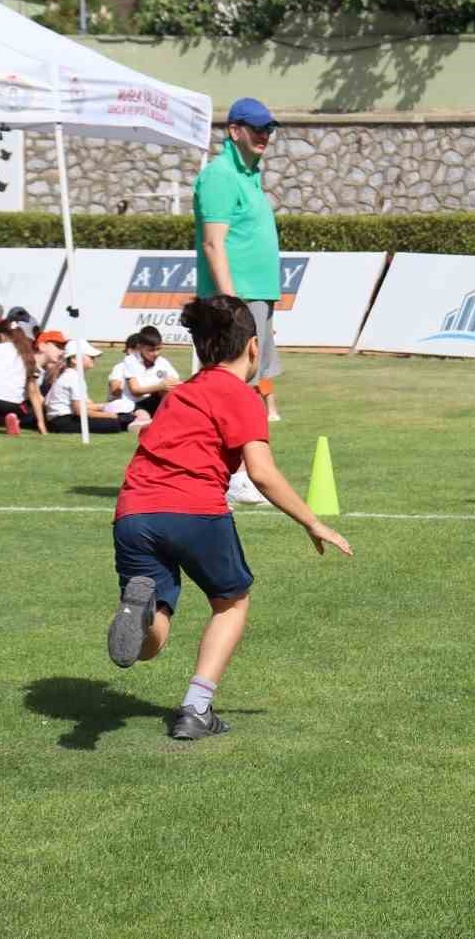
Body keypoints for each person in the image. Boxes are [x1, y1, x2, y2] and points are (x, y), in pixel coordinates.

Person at [108, 294, 352, 741]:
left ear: (199, 349)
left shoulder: (180, 394)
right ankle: (196, 709)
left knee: (154, 634)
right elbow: (261, 472)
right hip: (194, 510)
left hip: (133, 512)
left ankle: (140, 614)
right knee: (231, 602)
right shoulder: (240, 395)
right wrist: (312, 521)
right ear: (254, 347)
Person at [197, 97, 284, 423]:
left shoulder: (249, 175)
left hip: (257, 292)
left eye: (269, 129)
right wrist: (231, 304)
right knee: (230, 381)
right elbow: (212, 244)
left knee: (248, 377)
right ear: (235, 131)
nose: (264, 135)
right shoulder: (220, 175)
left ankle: (239, 464)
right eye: (257, 129)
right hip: (239, 296)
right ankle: (232, 464)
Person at [44, 339, 153, 435]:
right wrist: (109, 415)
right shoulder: (74, 378)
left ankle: (135, 420)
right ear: (74, 359)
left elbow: (84, 406)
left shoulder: (71, 375)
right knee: (112, 424)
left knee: (114, 419)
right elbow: (80, 411)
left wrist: (104, 407)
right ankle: (136, 422)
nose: (94, 359)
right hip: (63, 422)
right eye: (91, 357)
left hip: (60, 420)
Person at [0, 317, 45, 435]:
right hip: (15, 406)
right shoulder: (28, 355)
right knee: (21, 400)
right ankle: (12, 417)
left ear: (2, 336)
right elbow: (33, 391)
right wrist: (41, 423)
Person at [110, 325, 180, 416]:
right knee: (142, 415)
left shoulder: (162, 362)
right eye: (151, 350)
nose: (156, 353)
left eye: (158, 349)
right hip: (133, 404)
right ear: (140, 347)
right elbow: (135, 391)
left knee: (171, 390)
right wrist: (160, 387)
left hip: (154, 402)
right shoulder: (130, 360)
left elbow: (175, 382)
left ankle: (167, 416)